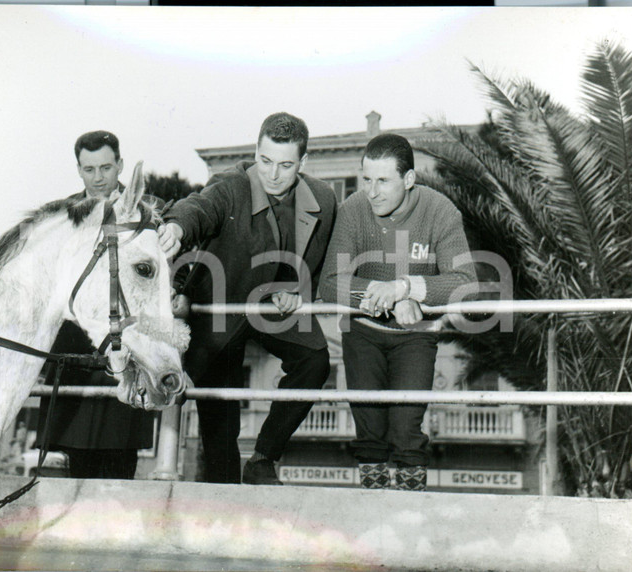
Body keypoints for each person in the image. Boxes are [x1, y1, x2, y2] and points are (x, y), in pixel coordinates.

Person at [158, 112, 337, 485]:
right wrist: (177, 225)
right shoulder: (230, 186)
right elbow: (199, 207)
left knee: (315, 360)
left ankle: (263, 459)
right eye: (265, 160)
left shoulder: (322, 198)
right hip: (222, 309)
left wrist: (301, 293)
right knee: (220, 415)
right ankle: (224, 492)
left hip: (274, 306)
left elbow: (321, 260)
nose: (273, 174)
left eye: (286, 165)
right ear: (256, 151)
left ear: (303, 163)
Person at [320, 133, 477, 491]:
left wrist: (408, 289)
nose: (372, 192)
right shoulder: (354, 209)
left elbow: (466, 281)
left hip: (416, 336)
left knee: (407, 431)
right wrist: (388, 297)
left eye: (383, 181)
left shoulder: (440, 211)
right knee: (370, 434)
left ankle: (410, 526)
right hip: (361, 333)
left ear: (408, 180)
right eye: (366, 180)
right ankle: (373, 526)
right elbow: (329, 282)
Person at [36, 130, 155, 479]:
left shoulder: (144, 211)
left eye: (106, 167)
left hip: (127, 348)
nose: (99, 178)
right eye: (89, 169)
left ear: (119, 164)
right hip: (75, 351)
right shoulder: (62, 216)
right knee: (72, 474)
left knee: (120, 467)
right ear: (78, 170)